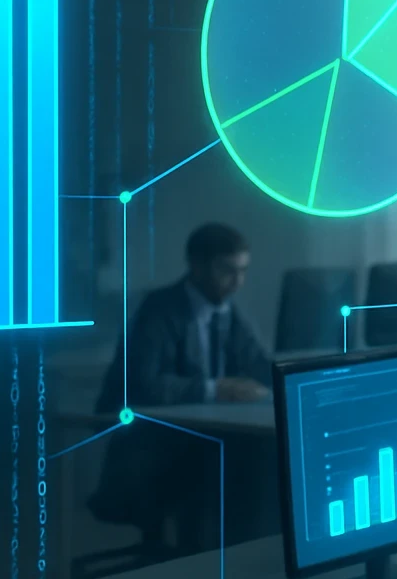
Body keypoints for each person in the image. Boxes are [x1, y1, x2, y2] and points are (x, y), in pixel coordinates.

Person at [88, 223, 273, 549]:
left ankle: (239, 559)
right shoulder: (159, 310)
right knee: (236, 464)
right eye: (227, 271)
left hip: (200, 440)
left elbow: (259, 363)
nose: (237, 282)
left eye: (242, 271)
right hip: (149, 448)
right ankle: (204, 566)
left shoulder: (227, 311)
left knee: (263, 457)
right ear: (196, 266)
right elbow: (144, 386)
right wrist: (215, 389)